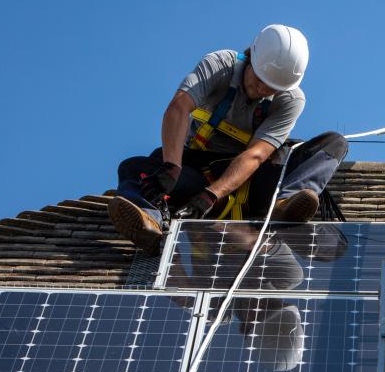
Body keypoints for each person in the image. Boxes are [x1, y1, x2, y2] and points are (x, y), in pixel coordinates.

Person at [108, 24, 349, 254]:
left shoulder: (291, 100)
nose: (264, 90)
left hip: (256, 183)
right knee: (135, 167)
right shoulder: (219, 66)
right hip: (200, 175)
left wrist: (212, 195)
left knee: (334, 143)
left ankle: (284, 206)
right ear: (252, 57)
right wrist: (171, 167)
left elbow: (256, 155)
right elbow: (179, 108)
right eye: (260, 80)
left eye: (274, 87)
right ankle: (150, 224)